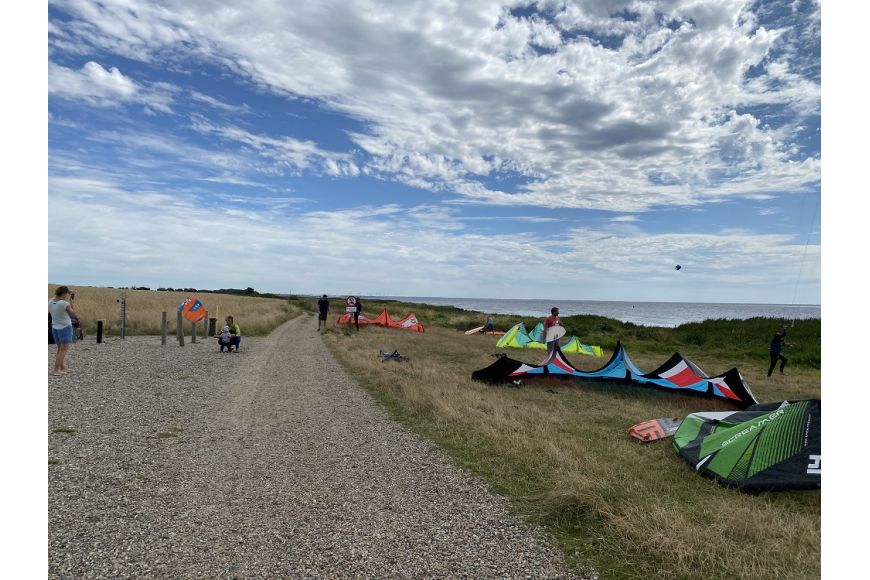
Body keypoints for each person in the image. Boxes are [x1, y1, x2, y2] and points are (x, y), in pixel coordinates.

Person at [48, 286, 80, 375]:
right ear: (65, 293)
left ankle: (62, 367)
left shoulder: (50, 301)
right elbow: (73, 314)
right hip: (65, 327)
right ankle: (56, 370)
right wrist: (71, 302)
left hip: (55, 327)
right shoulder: (65, 304)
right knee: (64, 349)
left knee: (59, 349)